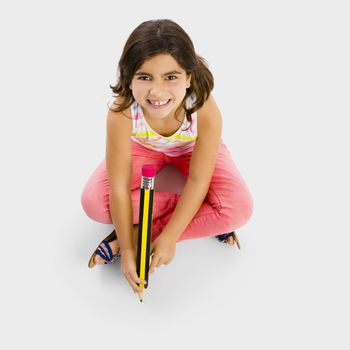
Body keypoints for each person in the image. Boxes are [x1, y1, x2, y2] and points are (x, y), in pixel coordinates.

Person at [81, 19, 254, 294]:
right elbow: (117, 186)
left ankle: (144, 232)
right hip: (144, 149)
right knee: (95, 204)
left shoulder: (203, 106)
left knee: (239, 208)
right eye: (144, 77)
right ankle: (203, 216)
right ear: (128, 78)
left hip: (191, 149)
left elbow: (198, 180)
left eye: (170, 77)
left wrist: (169, 235)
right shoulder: (121, 112)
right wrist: (126, 250)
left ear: (189, 77)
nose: (157, 91)